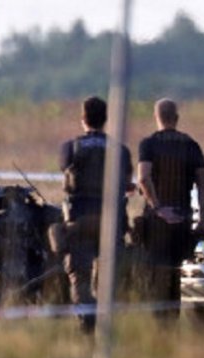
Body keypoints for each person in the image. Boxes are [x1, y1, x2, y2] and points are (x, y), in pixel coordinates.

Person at [56, 95, 133, 333]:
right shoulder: (120, 151)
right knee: (109, 277)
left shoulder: (70, 148)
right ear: (106, 119)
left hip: (79, 222)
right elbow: (127, 182)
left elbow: (65, 171)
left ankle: (88, 321)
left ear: (83, 119)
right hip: (112, 223)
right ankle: (106, 323)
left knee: (80, 277)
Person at [136, 98, 204, 321]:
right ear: (176, 118)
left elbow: (143, 177)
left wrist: (157, 207)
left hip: (157, 223)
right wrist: (202, 220)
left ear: (156, 117)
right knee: (175, 275)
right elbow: (203, 184)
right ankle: (172, 323)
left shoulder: (148, 144)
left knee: (156, 275)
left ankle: (160, 326)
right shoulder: (191, 145)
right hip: (182, 220)